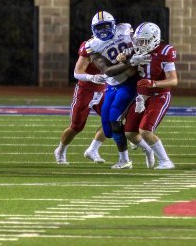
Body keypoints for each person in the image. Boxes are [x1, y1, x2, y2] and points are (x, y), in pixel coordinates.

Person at [85, 12, 138, 170]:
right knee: (108, 129)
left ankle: (125, 159)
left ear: (114, 24)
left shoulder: (125, 29)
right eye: (99, 27)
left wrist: (132, 55)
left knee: (115, 116)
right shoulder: (92, 45)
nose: (103, 30)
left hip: (130, 80)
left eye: (106, 26)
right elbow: (107, 70)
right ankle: (137, 143)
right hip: (112, 83)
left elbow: (140, 46)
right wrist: (128, 62)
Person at [123, 22, 177, 169]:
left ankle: (166, 161)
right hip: (142, 97)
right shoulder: (134, 51)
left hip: (159, 95)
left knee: (145, 130)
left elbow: (173, 80)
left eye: (144, 41)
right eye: (138, 41)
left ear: (154, 39)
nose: (140, 45)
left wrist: (153, 83)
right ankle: (149, 149)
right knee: (129, 132)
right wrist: (126, 61)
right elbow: (127, 68)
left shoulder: (164, 52)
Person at [53, 32, 109, 165]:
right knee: (76, 127)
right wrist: (92, 77)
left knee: (112, 121)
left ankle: (93, 150)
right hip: (85, 91)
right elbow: (77, 72)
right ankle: (60, 150)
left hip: (103, 90)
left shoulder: (115, 45)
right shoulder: (90, 46)